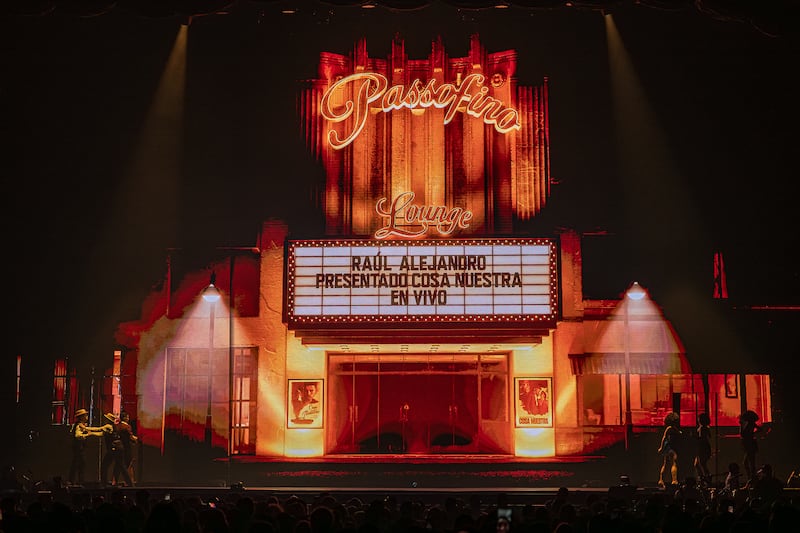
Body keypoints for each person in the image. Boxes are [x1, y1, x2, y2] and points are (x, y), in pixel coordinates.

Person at [67, 408, 105, 485]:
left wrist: (100, 429)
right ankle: (77, 481)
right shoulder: (78, 425)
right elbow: (77, 435)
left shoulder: (81, 425)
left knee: (78, 464)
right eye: (85, 415)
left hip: (79, 448)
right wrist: (86, 435)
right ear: (81, 417)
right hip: (78, 448)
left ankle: (74, 481)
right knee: (79, 464)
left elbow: (89, 429)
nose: (86, 416)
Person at [99, 412, 134, 487]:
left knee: (112, 466)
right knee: (120, 466)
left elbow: (99, 430)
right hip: (116, 449)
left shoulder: (109, 426)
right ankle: (128, 483)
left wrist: (87, 430)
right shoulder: (114, 426)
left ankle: (105, 483)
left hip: (115, 449)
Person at [657, 412, 681, 488]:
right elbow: (665, 438)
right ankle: (674, 480)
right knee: (674, 464)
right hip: (672, 448)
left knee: (665, 464)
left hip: (667, 449)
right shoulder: (673, 429)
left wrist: (661, 448)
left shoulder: (669, 429)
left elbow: (664, 438)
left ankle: (661, 480)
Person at [739, 410, 761, 486]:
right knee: (751, 462)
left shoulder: (749, 424)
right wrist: (753, 433)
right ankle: (752, 478)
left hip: (749, 444)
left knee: (747, 462)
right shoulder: (751, 424)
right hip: (751, 444)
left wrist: (741, 425)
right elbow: (759, 429)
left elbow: (742, 434)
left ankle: (751, 478)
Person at [117, 411, 139, 484]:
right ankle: (130, 481)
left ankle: (117, 481)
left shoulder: (118, 426)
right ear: (125, 418)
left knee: (121, 464)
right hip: (127, 447)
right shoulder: (127, 427)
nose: (128, 418)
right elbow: (131, 437)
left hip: (121, 447)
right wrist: (136, 439)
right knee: (129, 464)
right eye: (128, 417)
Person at [694, 412, 712, 486]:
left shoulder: (701, 428)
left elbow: (702, 438)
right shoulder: (707, 428)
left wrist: (695, 438)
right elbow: (709, 437)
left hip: (702, 447)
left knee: (700, 464)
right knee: (700, 464)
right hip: (705, 447)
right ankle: (704, 478)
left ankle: (704, 479)